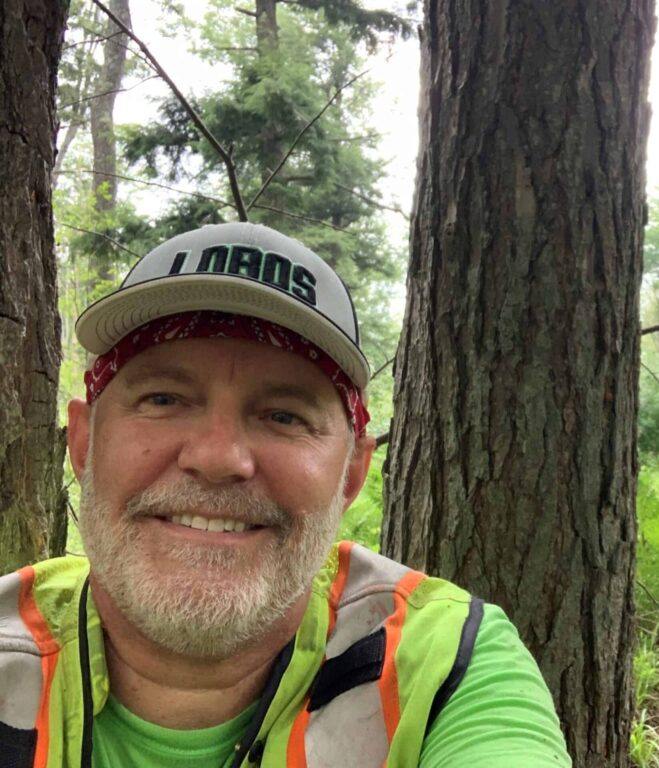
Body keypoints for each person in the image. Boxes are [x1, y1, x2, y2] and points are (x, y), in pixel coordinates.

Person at [0, 223, 572, 767]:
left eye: (284, 415)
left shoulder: (445, 664)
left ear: (351, 474)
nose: (219, 458)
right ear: (84, 443)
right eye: (164, 399)